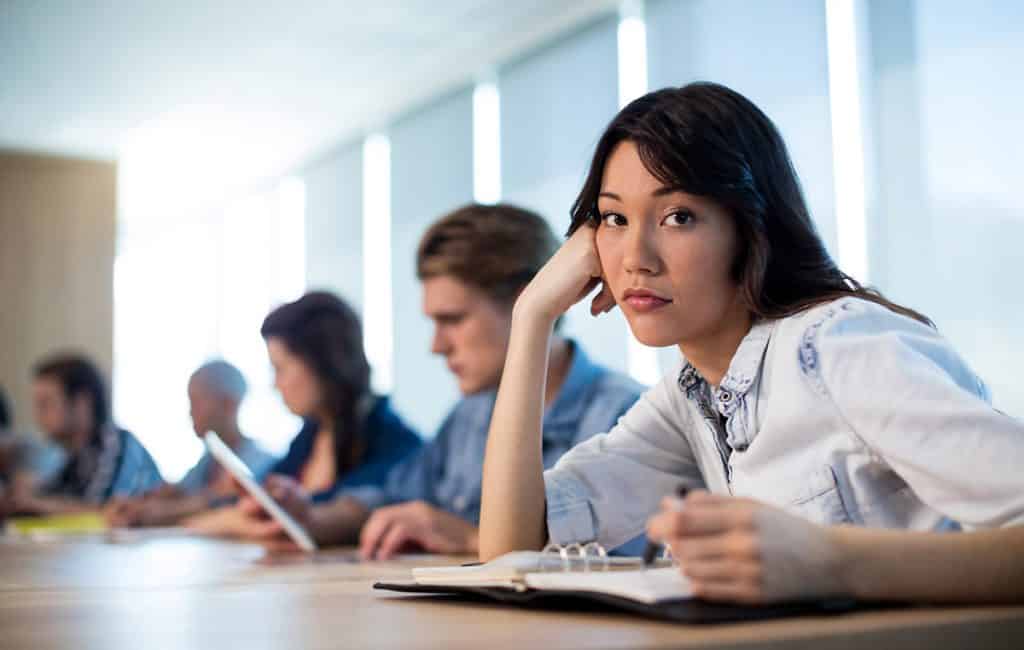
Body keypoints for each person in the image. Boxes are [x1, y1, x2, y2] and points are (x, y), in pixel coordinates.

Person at [479, 82, 1024, 605]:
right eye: (615, 218)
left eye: (678, 217)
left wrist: (833, 562)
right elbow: (511, 550)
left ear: (751, 227)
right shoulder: (689, 398)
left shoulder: (836, 346)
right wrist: (532, 317)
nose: (635, 257)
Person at [232, 204, 645, 558]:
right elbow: (393, 494)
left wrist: (470, 537)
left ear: (535, 299)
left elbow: (628, 560)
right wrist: (312, 518)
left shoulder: (624, 416)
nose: (436, 346)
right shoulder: (470, 415)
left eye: (452, 320)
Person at [186, 291, 422, 534]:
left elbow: (355, 507)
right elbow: (263, 499)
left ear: (323, 363)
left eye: (280, 369)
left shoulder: (396, 443)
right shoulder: (311, 435)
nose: (275, 384)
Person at [105, 360, 275, 527]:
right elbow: (181, 491)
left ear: (228, 404)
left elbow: (222, 500)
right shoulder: (209, 461)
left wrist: (157, 513)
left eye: (196, 402)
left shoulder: (261, 462)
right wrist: (138, 502)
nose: (191, 412)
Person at [14, 354, 161, 514]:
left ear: (81, 403)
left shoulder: (116, 444)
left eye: (46, 404)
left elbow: (106, 510)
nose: (37, 416)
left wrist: (34, 503)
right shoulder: (70, 456)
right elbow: (46, 496)